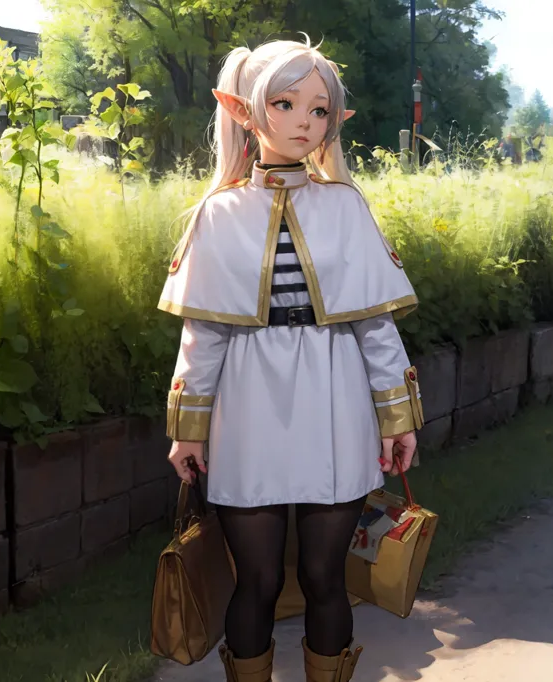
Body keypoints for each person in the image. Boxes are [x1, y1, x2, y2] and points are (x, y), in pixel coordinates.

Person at [159, 37, 424, 682]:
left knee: (326, 577)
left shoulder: (347, 205)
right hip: (246, 410)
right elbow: (204, 334)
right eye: (287, 103)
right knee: (252, 582)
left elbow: (375, 327)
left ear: (336, 120)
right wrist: (186, 429)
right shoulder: (217, 215)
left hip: (336, 404)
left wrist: (398, 418)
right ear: (244, 109)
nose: (306, 121)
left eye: (320, 109)